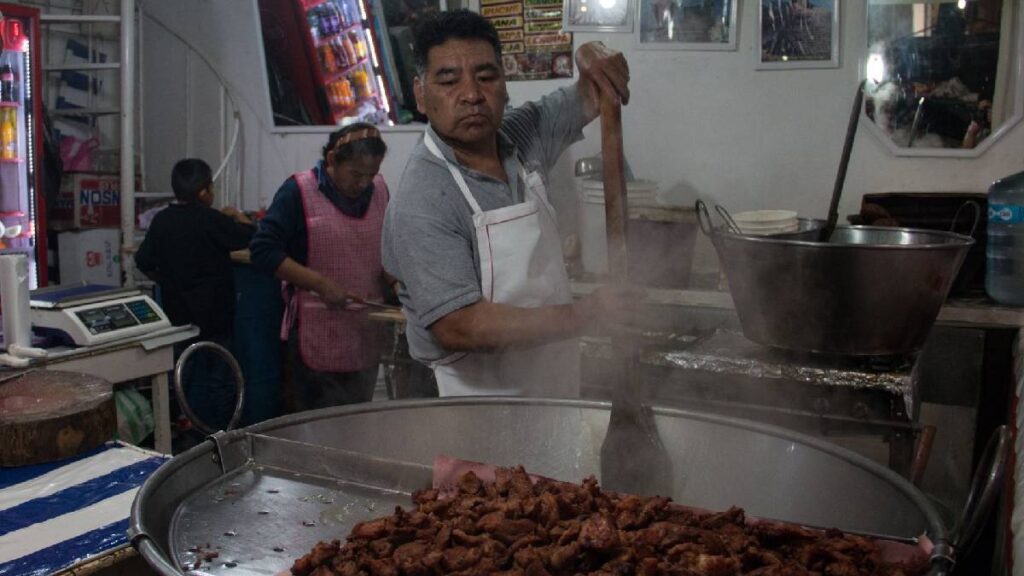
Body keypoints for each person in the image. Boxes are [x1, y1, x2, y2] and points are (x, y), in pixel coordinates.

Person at [382, 10, 642, 398]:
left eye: (486, 77)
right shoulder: (423, 197)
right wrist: (587, 314)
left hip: (550, 381)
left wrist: (591, 53)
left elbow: (595, 89)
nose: (471, 94)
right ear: (421, 95)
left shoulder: (523, 135)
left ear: (505, 84)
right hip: (467, 397)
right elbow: (460, 326)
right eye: (449, 81)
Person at [250, 123, 395, 412]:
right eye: (356, 174)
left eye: (372, 174)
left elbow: (387, 246)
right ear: (332, 161)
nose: (364, 183)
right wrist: (321, 284)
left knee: (358, 418)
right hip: (314, 333)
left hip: (364, 331)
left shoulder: (379, 191)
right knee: (316, 423)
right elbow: (263, 251)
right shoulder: (298, 191)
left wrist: (396, 283)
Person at [135, 158, 255, 431]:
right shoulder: (211, 219)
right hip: (216, 317)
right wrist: (240, 218)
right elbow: (249, 237)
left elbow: (143, 260)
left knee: (180, 375)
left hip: (178, 317)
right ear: (204, 192)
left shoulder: (162, 220)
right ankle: (224, 434)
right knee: (221, 379)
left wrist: (165, 279)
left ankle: (173, 427)